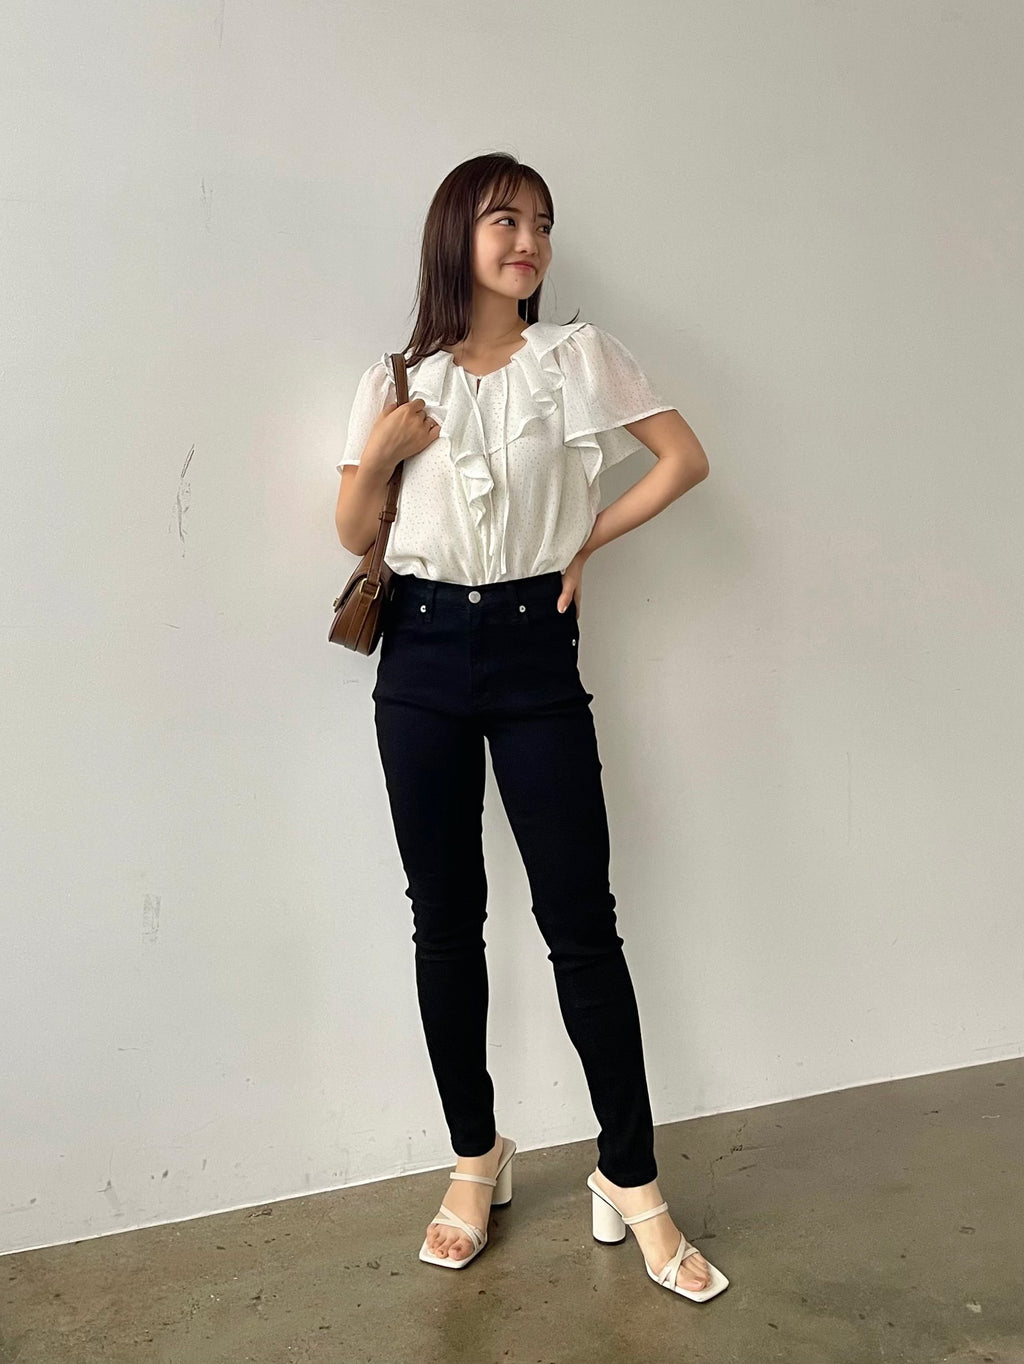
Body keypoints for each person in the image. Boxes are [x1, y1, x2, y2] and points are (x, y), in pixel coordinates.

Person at [333, 154, 726, 1303]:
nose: (528, 242)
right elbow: (350, 528)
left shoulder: (576, 358)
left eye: (542, 224)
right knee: (444, 920)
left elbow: (684, 460)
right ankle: (476, 1156)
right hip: (419, 656)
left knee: (580, 922)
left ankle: (630, 1176)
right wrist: (388, 450)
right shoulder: (396, 378)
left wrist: (583, 542)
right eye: (505, 219)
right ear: (456, 233)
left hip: (531, 650)